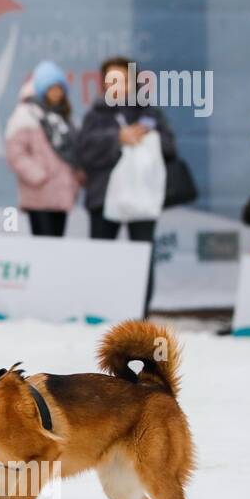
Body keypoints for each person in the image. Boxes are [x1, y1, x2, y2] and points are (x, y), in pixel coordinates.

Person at [75, 56, 177, 314]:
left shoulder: (150, 114)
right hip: (103, 195)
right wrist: (117, 139)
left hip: (142, 197)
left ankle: (140, 312)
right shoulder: (95, 115)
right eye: (112, 80)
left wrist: (145, 139)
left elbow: (170, 148)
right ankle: (98, 309)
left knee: (142, 256)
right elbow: (83, 151)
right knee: (101, 256)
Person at [4, 60, 81, 236]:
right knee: (42, 246)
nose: (56, 92)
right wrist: (38, 176)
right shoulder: (25, 114)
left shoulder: (65, 117)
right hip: (39, 193)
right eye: (51, 87)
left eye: (59, 88)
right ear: (41, 89)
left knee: (56, 247)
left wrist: (76, 177)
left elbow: (73, 152)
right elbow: (15, 153)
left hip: (62, 193)